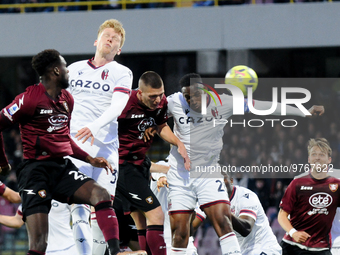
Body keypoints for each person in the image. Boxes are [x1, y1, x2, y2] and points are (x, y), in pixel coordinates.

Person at [0, 49, 145, 255]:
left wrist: (89, 159)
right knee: (40, 243)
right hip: (35, 173)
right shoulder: (29, 99)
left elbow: (65, 137)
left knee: (101, 195)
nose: (70, 71)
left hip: (61, 168)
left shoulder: (67, 99)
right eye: (66, 67)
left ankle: (115, 252)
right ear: (56, 71)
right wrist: (3, 162)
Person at [163, 73, 324, 255]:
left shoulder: (224, 102)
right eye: (187, 97)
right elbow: (151, 114)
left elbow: (265, 107)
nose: (192, 101)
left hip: (207, 171)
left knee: (223, 220)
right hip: (180, 173)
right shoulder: (173, 102)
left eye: (196, 95)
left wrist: (304, 111)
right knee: (179, 233)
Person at [66, 19, 133, 255]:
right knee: (79, 208)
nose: (110, 39)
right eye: (107, 35)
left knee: (104, 206)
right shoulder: (73, 69)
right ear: (96, 40)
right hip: (76, 146)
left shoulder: (122, 72)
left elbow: (118, 106)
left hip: (105, 148)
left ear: (119, 49)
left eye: (115, 39)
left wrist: (94, 126)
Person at [116, 71, 189, 255]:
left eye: (160, 94)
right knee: (156, 215)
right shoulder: (123, 103)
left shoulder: (161, 102)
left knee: (140, 220)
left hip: (141, 164)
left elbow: (162, 125)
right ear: (140, 93)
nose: (157, 100)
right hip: (123, 167)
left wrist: (178, 143)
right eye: (152, 96)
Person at [192, 171, 282, 255]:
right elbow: (191, 227)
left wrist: (223, 211)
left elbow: (246, 228)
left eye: (222, 179)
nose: (219, 184)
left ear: (231, 180)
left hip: (264, 248)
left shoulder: (246, 196)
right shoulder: (208, 199)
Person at [278, 138, 340, 255]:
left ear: (329, 160)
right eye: (314, 154)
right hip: (292, 246)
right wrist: (293, 233)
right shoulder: (297, 183)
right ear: (309, 159)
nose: (317, 157)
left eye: (321, 154)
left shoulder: (336, 185)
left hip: (321, 248)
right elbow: (282, 215)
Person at [0, 200, 78, 255]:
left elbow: (82, 211)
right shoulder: (29, 199)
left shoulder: (63, 192)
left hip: (69, 248)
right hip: (43, 251)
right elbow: (17, 221)